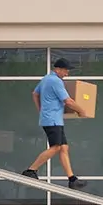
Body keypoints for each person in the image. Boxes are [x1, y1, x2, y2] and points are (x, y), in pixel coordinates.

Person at [22, 58, 87, 189]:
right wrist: (82, 111)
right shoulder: (55, 81)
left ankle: (72, 179)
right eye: (65, 71)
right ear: (57, 69)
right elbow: (68, 101)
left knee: (64, 148)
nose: (67, 74)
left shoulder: (46, 79)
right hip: (52, 120)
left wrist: (40, 109)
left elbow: (35, 94)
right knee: (56, 147)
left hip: (52, 119)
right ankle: (30, 170)